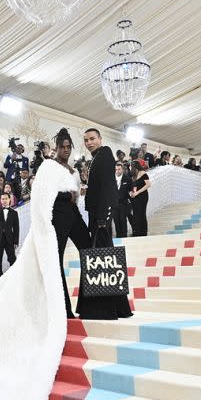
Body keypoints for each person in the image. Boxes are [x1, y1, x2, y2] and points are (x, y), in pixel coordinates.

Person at [78, 128, 133, 320]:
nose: (89, 142)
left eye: (92, 139)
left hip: (101, 215)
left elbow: (107, 187)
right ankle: (115, 307)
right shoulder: (96, 158)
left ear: (100, 139)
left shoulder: (105, 153)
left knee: (103, 259)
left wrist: (102, 217)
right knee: (103, 257)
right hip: (97, 214)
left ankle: (105, 308)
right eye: (86, 140)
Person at [50, 128, 92, 319]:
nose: (66, 150)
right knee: (56, 259)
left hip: (73, 212)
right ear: (56, 148)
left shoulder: (74, 172)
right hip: (58, 215)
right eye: (62, 147)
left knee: (89, 250)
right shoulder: (50, 167)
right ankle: (64, 309)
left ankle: (87, 304)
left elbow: (75, 196)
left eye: (69, 147)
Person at [0, 192, 19, 278]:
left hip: (10, 239)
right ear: (0, 200)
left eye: (6, 199)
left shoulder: (14, 213)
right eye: (2, 199)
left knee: (12, 258)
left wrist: (16, 241)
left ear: (9, 199)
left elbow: (16, 228)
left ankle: (13, 275)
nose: (4, 201)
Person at [130, 161, 151, 237]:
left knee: (142, 214)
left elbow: (148, 184)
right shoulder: (133, 175)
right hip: (135, 197)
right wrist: (132, 193)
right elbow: (133, 187)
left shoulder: (143, 173)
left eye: (131, 166)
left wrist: (138, 192)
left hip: (142, 196)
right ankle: (137, 231)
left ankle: (143, 232)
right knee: (136, 214)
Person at [114, 162, 133, 238]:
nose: (117, 171)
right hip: (114, 203)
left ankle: (124, 235)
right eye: (116, 169)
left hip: (123, 203)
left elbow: (131, 189)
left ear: (122, 170)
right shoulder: (111, 179)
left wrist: (131, 195)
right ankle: (118, 236)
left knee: (123, 219)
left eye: (119, 169)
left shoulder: (127, 179)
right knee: (116, 220)